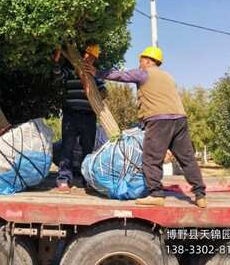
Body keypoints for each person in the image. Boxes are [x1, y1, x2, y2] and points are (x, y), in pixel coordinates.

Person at [85, 46, 207, 207]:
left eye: (141, 60)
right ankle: (200, 195)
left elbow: (121, 76)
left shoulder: (144, 72)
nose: (139, 63)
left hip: (159, 120)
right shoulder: (169, 77)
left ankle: (155, 194)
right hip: (180, 119)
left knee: (150, 158)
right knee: (187, 159)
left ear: (148, 60)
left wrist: (97, 72)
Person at [53, 45, 107, 193]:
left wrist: (100, 93)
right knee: (67, 147)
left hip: (89, 117)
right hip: (72, 115)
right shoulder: (71, 71)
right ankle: (63, 180)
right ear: (82, 55)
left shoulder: (94, 75)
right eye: (86, 55)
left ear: (94, 59)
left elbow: (104, 92)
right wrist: (57, 61)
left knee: (88, 149)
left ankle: (87, 180)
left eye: (92, 57)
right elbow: (58, 75)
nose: (88, 58)